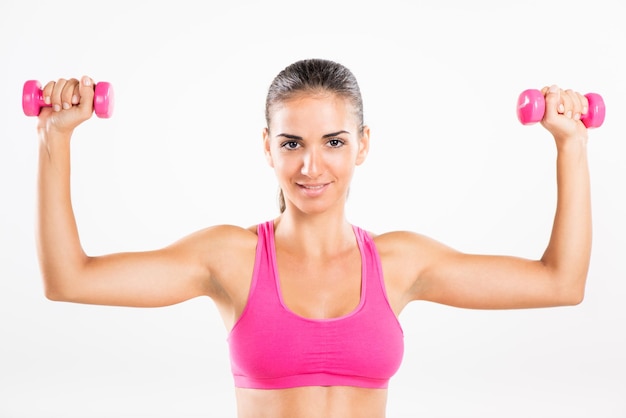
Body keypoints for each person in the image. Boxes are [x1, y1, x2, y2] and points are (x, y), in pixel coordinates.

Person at [35, 58, 592, 418]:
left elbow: (560, 283)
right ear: (268, 147)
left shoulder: (400, 263)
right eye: (292, 143)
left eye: (332, 141)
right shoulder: (230, 258)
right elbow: (70, 279)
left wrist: (571, 145)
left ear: (363, 144)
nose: (311, 166)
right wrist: (54, 139)